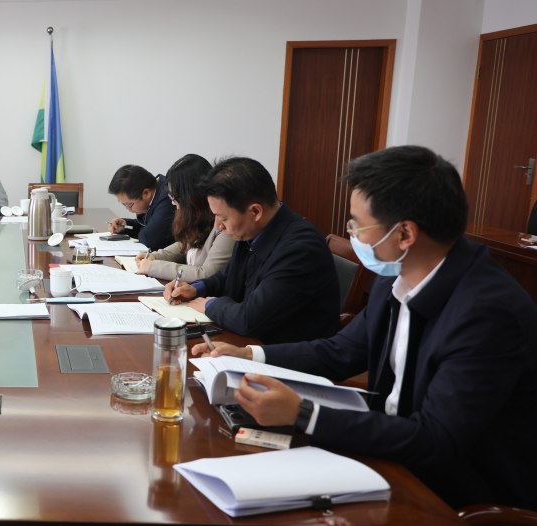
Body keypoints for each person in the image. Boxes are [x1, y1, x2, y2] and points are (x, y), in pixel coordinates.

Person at [191, 146, 537, 510]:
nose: (351, 233)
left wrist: (305, 414)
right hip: (391, 452)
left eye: (358, 224)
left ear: (405, 234)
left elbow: (436, 440)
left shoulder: (488, 312)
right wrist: (249, 355)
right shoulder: (397, 275)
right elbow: (340, 351)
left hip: (457, 492)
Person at [164, 156, 339, 344]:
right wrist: (196, 289)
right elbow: (229, 276)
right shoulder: (253, 230)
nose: (218, 226)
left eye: (223, 218)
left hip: (284, 353)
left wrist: (209, 304)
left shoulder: (300, 250)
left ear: (255, 211)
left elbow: (250, 319)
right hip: (251, 343)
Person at [136, 154, 234, 281]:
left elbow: (207, 273)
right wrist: (155, 257)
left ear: (192, 196)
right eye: (171, 196)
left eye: (175, 197)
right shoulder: (199, 218)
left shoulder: (224, 225)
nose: (173, 202)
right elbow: (187, 244)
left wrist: (153, 267)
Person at [107, 164, 175, 250]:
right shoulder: (157, 189)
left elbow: (150, 238)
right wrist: (126, 225)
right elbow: (150, 224)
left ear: (146, 193)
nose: (127, 208)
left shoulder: (168, 197)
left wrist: (145, 230)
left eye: (129, 204)